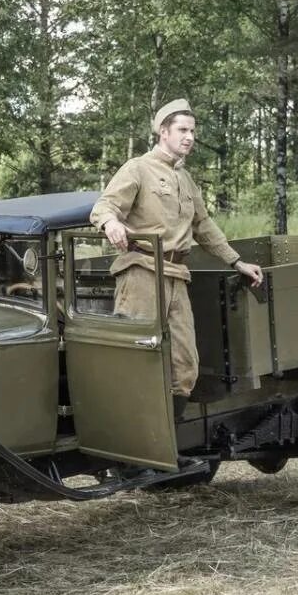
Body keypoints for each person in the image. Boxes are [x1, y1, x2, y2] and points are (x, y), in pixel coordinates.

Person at [90, 98, 263, 417]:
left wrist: (236, 261)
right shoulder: (138, 168)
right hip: (141, 269)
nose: (190, 137)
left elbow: (203, 225)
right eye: (182, 130)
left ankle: (167, 446)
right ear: (163, 132)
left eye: (193, 131)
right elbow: (104, 206)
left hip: (176, 275)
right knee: (137, 358)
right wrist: (111, 223)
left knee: (185, 367)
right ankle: (133, 447)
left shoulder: (185, 179)